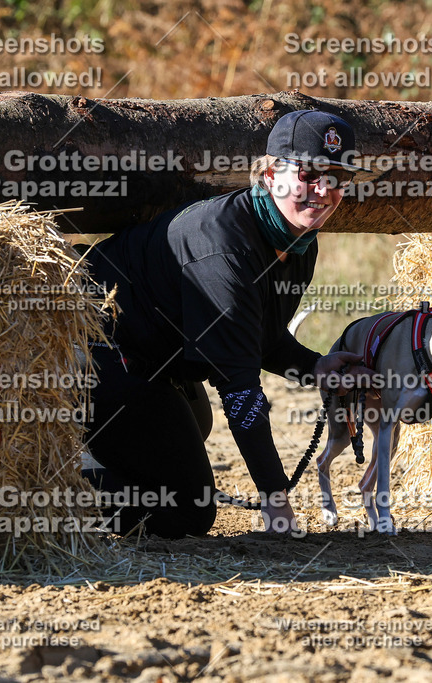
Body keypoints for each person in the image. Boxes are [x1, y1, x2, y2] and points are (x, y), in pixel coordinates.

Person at [82, 110, 373, 538]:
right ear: (270, 175)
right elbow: (238, 385)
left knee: (196, 424)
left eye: (338, 178)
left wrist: (315, 367)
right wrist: (276, 501)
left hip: (153, 357)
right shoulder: (226, 246)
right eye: (309, 174)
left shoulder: (297, 240)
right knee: (187, 513)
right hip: (90, 352)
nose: (324, 190)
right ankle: (48, 488)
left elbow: (253, 335)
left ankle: (91, 461)